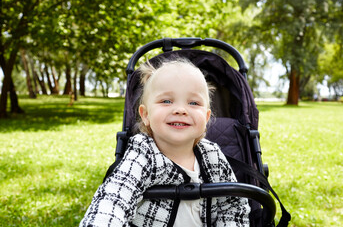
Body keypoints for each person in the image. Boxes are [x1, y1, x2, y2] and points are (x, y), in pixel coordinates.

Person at [80, 58, 250, 227]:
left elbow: (233, 207)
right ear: (145, 115)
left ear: (206, 118)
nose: (180, 110)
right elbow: (114, 198)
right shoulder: (143, 152)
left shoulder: (212, 156)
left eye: (193, 103)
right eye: (166, 101)